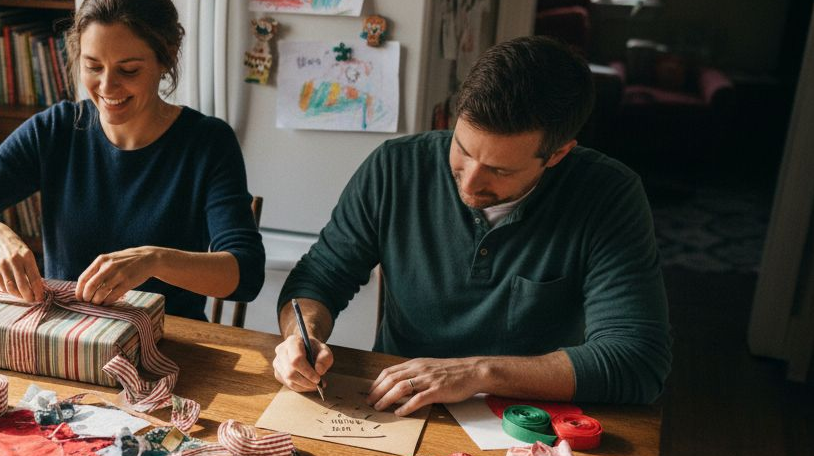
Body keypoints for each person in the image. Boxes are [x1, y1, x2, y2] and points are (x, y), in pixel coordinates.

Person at [272, 35, 670, 414]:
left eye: (498, 169)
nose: (470, 180)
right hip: (396, 407)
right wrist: (301, 335)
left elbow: (636, 359)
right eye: (462, 149)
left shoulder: (608, 196)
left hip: (524, 420)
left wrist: (477, 373)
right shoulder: (395, 168)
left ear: (557, 154)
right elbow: (320, 277)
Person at [0, 0, 263, 320]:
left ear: (167, 57)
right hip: (68, 342)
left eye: (128, 70)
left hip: (171, 343)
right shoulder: (56, 129)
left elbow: (246, 274)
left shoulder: (207, 143)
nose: (107, 86)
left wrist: (154, 260)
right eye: (93, 66)